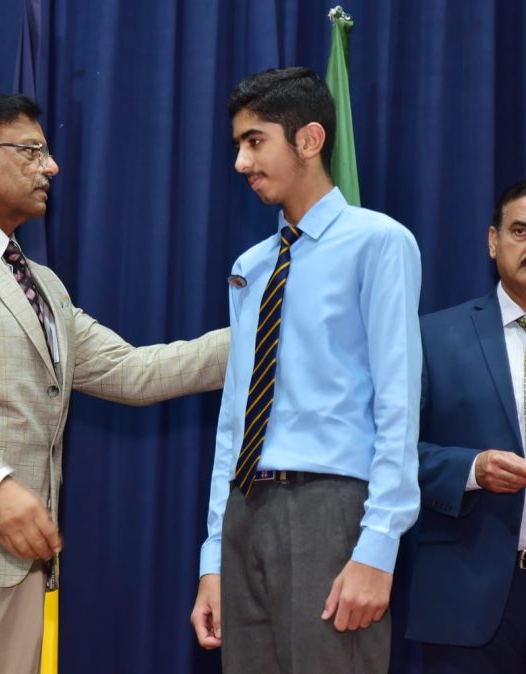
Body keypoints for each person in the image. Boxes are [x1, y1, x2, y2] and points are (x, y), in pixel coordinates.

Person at [0, 92, 229, 674]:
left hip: (17, 564)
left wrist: (271, 331)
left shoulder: (42, 284)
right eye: (30, 151)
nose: (51, 166)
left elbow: (132, 371)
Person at [190, 66, 422, 674]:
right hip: (245, 508)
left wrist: (379, 544)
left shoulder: (379, 243)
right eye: (238, 144)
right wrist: (213, 556)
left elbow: (400, 401)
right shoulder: (251, 265)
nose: (241, 162)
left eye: (255, 141)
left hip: (332, 508)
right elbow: (235, 415)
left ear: (310, 139)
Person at [407, 181, 526, 673]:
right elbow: (392, 453)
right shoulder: (433, 336)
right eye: (520, 231)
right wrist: (471, 470)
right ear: (493, 241)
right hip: (468, 600)